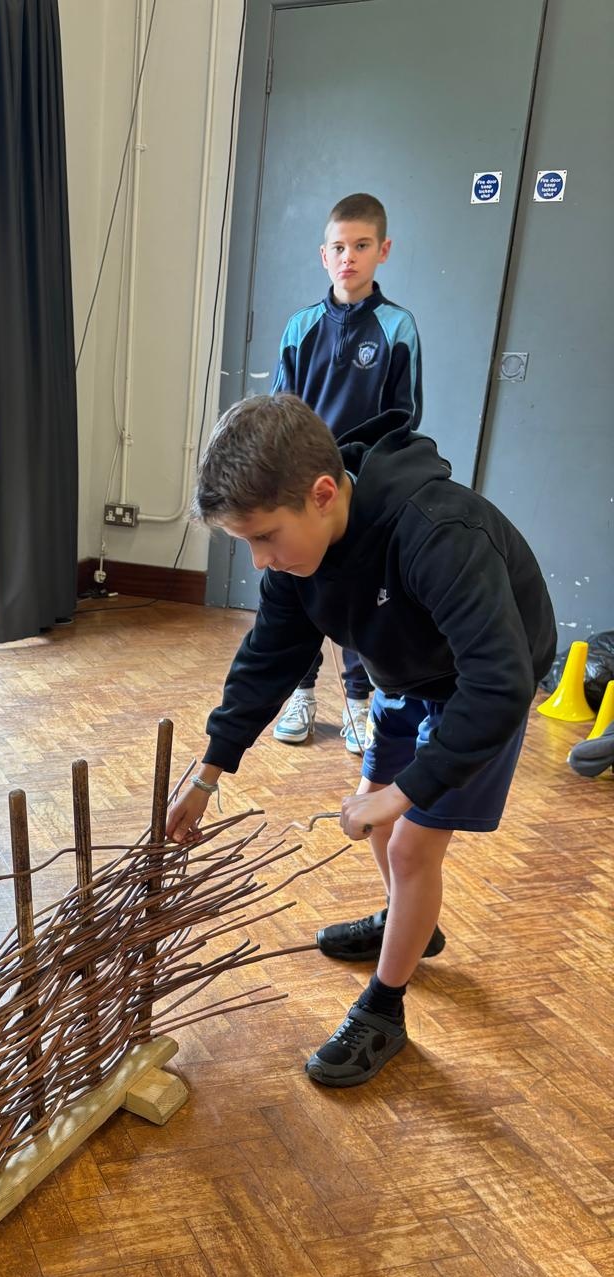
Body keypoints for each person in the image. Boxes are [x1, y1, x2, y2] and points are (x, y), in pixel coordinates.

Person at [166, 394, 555, 1088]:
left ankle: (385, 1008)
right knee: (378, 824)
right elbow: (268, 659)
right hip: (403, 673)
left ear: (323, 495)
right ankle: (412, 921)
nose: (260, 561)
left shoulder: (438, 532)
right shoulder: (298, 559)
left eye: (265, 537)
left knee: (408, 841)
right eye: (245, 544)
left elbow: (499, 684)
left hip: (482, 689)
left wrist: (406, 792)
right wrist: (208, 773)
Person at [270, 192, 422, 755]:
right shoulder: (300, 327)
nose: (348, 257)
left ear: (383, 250)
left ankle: (358, 702)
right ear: (323, 255)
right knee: (299, 585)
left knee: (361, 594)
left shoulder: (398, 327)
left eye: (361, 246)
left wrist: (357, 473)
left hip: (359, 492)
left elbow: (404, 416)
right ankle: (301, 694)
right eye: (338, 247)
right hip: (300, 489)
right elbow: (278, 413)